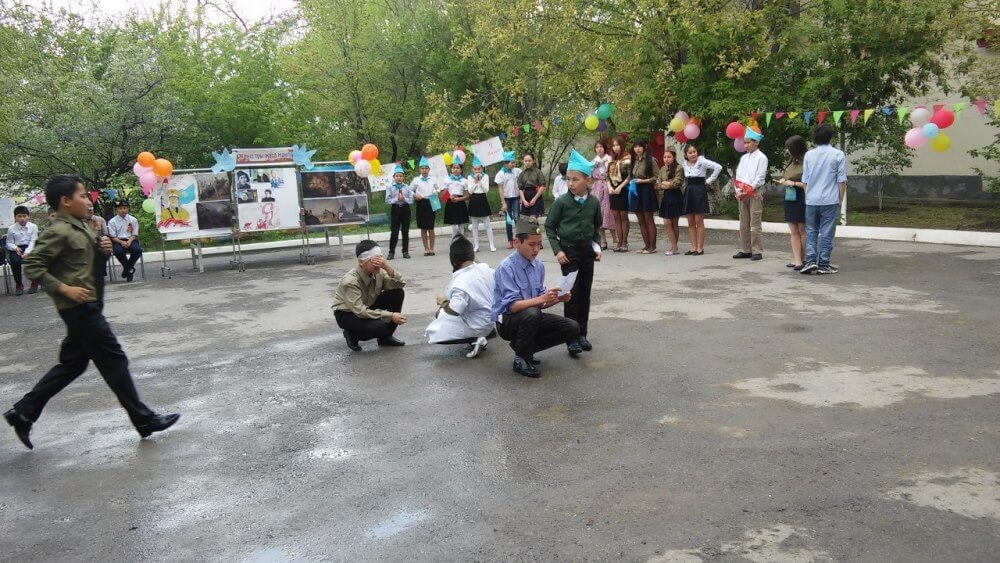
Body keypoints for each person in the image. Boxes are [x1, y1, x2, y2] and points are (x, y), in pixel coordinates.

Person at [4, 175, 179, 450]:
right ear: (65, 201)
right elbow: (33, 265)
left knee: (72, 364)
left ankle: (23, 412)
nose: (88, 201)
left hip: (89, 304)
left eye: (88, 196)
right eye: (83, 196)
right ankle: (144, 419)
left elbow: (83, 265)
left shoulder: (81, 226)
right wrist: (64, 288)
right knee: (114, 359)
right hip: (79, 308)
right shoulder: (58, 230)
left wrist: (103, 251)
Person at [492, 216, 579, 378]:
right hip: (508, 322)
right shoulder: (506, 267)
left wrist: (558, 298)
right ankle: (520, 359)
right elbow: (513, 306)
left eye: (539, 244)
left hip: (531, 316)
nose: (536, 249)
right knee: (532, 313)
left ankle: (524, 348)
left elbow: (540, 302)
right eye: (531, 245)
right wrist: (543, 299)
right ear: (517, 242)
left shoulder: (538, 265)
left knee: (572, 328)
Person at [544, 149, 602, 356]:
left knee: (585, 294)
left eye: (575, 179)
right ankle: (571, 338)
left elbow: (596, 228)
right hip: (568, 253)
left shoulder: (594, 203)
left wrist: (597, 247)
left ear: (588, 180)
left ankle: (582, 334)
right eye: (568, 179)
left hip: (587, 253)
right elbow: (549, 227)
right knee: (570, 295)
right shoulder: (561, 202)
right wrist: (557, 250)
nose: (570, 183)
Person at [425, 235, 497, 358]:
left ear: (453, 259)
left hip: (478, 324)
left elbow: (454, 311)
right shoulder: (486, 268)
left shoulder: (459, 283)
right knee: (443, 313)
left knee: (434, 329)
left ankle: (477, 338)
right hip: (494, 320)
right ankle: (483, 335)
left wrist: (443, 301)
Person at [332, 240, 407, 350]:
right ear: (361, 262)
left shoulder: (379, 273)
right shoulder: (350, 281)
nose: (378, 264)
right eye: (374, 260)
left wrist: (387, 267)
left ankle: (385, 338)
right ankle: (352, 334)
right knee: (381, 326)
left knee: (397, 293)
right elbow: (360, 311)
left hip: (367, 305)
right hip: (348, 314)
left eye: (380, 260)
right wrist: (390, 315)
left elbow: (400, 284)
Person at [801, 124, 847, 275]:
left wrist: (809, 195)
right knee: (827, 233)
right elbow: (841, 180)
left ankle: (810, 261)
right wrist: (840, 199)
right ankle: (824, 264)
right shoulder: (838, 154)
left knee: (811, 231)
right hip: (830, 199)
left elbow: (805, 180)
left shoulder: (809, 155)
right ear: (831, 137)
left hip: (811, 199)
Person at [732, 126, 769, 261]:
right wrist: (738, 191)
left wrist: (747, 190)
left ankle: (757, 250)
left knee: (755, 222)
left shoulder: (761, 158)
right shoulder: (744, 158)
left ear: (756, 142)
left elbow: (759, 178)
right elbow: (739, 175)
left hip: (754, 192)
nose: (746, 145)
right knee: (744, 222)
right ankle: (745, 249)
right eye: (745, 142)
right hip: (742, 192)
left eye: (748, 142)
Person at [681, 145, 722, 256]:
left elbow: (718, 167)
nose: (693, 154)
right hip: (689, 191)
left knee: (699, 221)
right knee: (690, 222)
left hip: (699, 190)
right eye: (690, 153)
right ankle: (693, 247)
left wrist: (709, 181)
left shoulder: (702, 161)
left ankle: (700, 248)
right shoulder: (685, 164)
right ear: (686, 155)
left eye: (694, 151)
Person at [776, 135, 807, 270]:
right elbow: (787, 176)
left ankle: (804, 258)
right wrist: (784, 181)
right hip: (790, 197)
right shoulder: (790, 162)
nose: (787, 151)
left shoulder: (806, 162)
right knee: (793, 230)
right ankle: (797, 260)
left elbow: (808, 184)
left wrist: (793, 183)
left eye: (788, 148)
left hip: (801, 196)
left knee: (802, 229)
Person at [629, 138, 661, 254]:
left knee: (648, 219)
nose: (637, 149)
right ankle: (646, 245)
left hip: (647, 189)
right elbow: (632, 175)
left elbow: (657, 177)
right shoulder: (634, 160)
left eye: (640, 146)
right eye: (635, 147)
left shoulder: (651, 160)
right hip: (636, 190)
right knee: (640, 220)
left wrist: (644, 181)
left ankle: (652, 246)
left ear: (645, 147)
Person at [5, 205, 40, 295]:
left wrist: (27, 252)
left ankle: (34, 283)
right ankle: (19, 285)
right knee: (15, 261)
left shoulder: (33, 227)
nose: (22, 219)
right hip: (17, 248)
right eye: (19, 216)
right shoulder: (11, 228)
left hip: (31, 247)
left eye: (24, 216)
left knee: (35, 260)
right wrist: (15, 248)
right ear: (15, 217)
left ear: (28, 216)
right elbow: (9, 243)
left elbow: (33, 241)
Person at [656, 148, 685, 256]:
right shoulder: (662, 169)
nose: (666, 159)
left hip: (675, 196)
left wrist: (667, 184)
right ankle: (674, 246)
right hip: (666, 197)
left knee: (674, 223)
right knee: (667, 223)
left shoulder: (679, 168)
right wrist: (665, 185)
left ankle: (674, 247)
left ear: (674, 157)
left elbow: (678, 182)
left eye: (669, 157)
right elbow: (658, 184)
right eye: (664, 157)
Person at [607, 135, 632, 252]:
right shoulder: (611, 160)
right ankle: (618, 241)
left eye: (617, 145)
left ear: (622, 145)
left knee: (623, 216)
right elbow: (607, 176)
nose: (615, 147)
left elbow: (629, 176)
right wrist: (609, 187)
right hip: (613, 190)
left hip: (623, 188)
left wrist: (620, 187)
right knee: (616, 216)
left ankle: (624, 242)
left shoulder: (628, 158)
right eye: (614, 145)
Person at [410, 156, 439, 256]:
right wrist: (415, 195)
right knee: (423, 228)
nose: (424, 170)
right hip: (421, 203)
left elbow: (438, 188)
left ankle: (432, 248)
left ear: (429, 169)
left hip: (431, 202)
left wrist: (436, 191)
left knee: (431, 227)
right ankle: (426, 248)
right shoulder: (416, 180)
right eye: (422, 168)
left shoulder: (433, 179)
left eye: (426, 168)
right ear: (420, 169)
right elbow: (410, 190)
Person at [107, 200, 142, 281]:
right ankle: (128, 270)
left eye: (124, 208)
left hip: (131, 239)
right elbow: (113, 236)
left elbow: (134, 234)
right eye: (120, 208)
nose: (122, 210)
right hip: (118, 241)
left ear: (128, 209)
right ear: (116, 210)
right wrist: (121, 242)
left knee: (137, 250)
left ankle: (128, 268)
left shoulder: (133, 220)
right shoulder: (112, 221)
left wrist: (129, 242)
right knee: (118, 251)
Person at [466, 156, 496, 253]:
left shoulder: (485, 176)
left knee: (487, 224)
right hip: (474, 199)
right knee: (474, 225)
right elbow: (470, 191)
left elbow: (486, 190)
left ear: (482, 169)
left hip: (482, 198)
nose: (477, 171)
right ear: (472, 169)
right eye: (475, 169)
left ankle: (492, 244)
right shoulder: (470, 177)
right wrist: (475, 182)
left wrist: (480, 181)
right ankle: (476, 245)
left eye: (479, 169)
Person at [385, 164, 413, 260]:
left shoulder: (407, 187)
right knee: (394, 231)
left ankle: (405, 251)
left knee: (405, 231)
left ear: (403, 177)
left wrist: (405, 199)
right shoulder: (390, 187)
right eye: (397, 176)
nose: (399, 178)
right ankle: (391, 252)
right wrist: (396, 199)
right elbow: (387, 200)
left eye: (401, 176)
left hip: (405, 209)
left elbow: (411, 200)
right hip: (396, 209)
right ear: (394, 177)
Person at [591, 139, 615, 250]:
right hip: (597, 188)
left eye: (601, 147)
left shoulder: (609, 159)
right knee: (598, 213)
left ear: (605, 148)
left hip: (607, 185)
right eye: (597, 147)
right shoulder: (593, 162)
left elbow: (613, 173)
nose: (599, 149)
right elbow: (590, 175)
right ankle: (603, 240)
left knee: (609, 212)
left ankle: (615, 239)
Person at [495, 151, 522, 249]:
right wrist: (503, 203)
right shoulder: (501, 174)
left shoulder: (517, 171)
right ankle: (510, 240)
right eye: (512, 163)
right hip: (506, 199)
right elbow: (500, 189)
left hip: (516, 197)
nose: (514, 164)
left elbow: (521, 183)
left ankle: (519, 239)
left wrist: (521, 197)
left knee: (517, 218)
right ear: (506, 163)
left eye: (514, 162)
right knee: (508, 220)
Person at [443, 162, 471, 237]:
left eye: (458, 168)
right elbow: (444, 195)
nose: (455, 170)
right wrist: (450, 196)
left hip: (460, 203)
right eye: (454, 168)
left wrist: (459, 199)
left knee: (461, 225)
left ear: (461, 170)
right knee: (454, 227)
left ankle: (462, 241)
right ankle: (454, 241)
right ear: (451, 169)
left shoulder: (465, 181)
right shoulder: (447, 180)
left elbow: (468, 196)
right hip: (450, 203)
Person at [517, 152, 546, 219]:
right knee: (526, 220)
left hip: (536, 195)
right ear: (523, 161)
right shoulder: (522, 174)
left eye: (529, 161)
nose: (528, 162)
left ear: (533, 161)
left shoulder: (538, 172)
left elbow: (543, 186)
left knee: (533, 219)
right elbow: (520, 189)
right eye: (526, 161)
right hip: (526, 197)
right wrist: (523, 200)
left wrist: (534, 199)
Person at [84, 207, 109, 278]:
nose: (90, 211)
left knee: (103, 249)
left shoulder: (100, 220)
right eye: (87, 210)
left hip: (98, 241)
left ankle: (100, 274)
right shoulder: (80, 221)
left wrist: (101, 238)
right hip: (85, 242)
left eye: (91, 210)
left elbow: (105, 234)